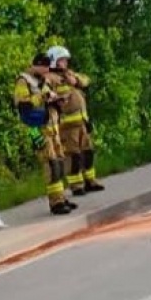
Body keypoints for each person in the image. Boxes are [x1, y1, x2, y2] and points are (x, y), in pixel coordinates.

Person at [14, 52, 75, 216]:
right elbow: (23, 104)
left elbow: (48, 96)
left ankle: (61, 197)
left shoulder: (42, 80)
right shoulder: (24, 81)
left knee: (59, 162)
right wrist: (42, 97)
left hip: (52, 127)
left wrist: (58, 99)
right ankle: (56, 203)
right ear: (37, 65)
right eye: (45, 66)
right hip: (39, 127)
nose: (47, 69)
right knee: (51, 164)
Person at [46, 45, 105, 195]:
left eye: (66, 60)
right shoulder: (50, 79)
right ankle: (76, 185)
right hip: (67, 125)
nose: (65, 63)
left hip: (81, 122)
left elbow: (86, 80)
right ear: (54, 61)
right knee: (73, 156)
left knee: (87, 152)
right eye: (62, 60)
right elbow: (46, 95)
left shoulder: (69, 74)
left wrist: (75, 80)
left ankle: (90, 180)